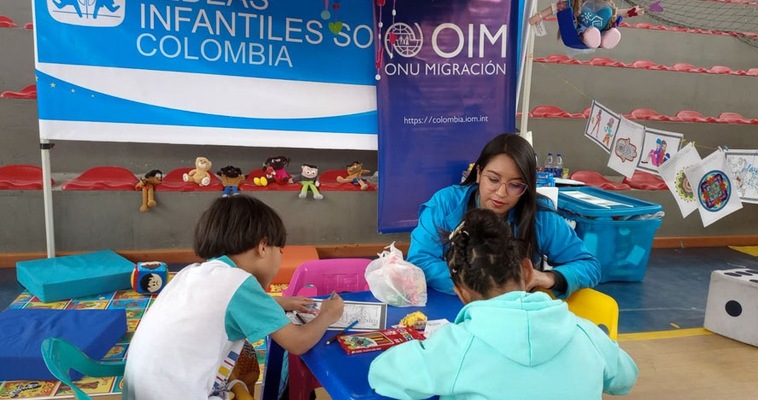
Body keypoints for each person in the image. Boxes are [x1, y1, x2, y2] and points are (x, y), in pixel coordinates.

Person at [369, 209, 638, 399]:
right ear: (527, 270)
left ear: (461, 293)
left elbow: (381, 375)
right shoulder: (585, 333)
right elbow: (626, 379)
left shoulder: (455, 347)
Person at [123, 195, 344, 400]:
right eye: (280, 251)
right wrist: (327, 315)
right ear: (263, 247)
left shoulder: (192, 273)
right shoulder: (239, 282)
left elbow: (218, 307)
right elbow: (298, 343)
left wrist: (276, 302)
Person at [407, 133, 601, 298]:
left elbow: (588, 265)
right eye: (493, 179)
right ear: (478, 173)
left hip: (513, 312)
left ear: (527, 187)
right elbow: (420, 261)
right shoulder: (445, 204)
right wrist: (486, 286)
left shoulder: (541, 216)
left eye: (515, 185)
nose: (501, 193)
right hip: (452, 303)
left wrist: (548, 278)